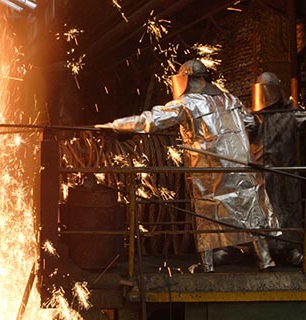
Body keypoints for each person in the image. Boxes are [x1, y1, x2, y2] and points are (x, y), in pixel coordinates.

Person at [95, 59, 278, 272]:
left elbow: (152, 120)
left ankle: (207, 266)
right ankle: (266, 261)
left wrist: (115, 126)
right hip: (239, 167)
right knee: (250, 211)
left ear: (187, 79)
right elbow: (251, 124)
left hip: (208, 171)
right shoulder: (230, 99)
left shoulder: (188, 103)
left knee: (206, 213)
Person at [247, 71, 305, 266]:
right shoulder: (252, 119)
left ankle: (289, 249)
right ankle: (268, 251)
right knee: (265, 212)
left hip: (286, 172)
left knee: (288, 211)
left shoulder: (292, 115)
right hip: (262, 175)